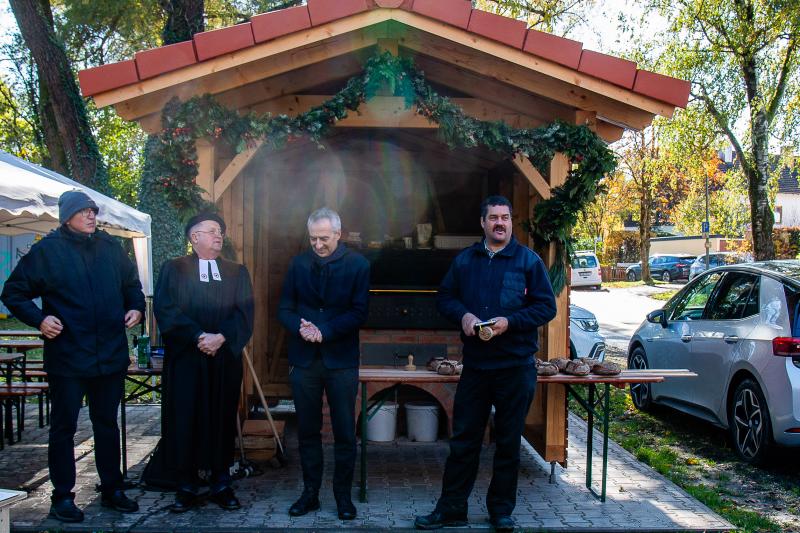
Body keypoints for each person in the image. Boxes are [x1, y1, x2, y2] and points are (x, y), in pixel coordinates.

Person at [415, 195, 557, 533]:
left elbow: (546, 308)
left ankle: (501, 511)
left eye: (505, 217)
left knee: (508, 443)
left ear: (510, 222)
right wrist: (462, 315)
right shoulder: (466, 261)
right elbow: (445, 298)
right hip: (476, 368)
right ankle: (452, 509)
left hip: (515, 367)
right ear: (482, 223)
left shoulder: (528, 261)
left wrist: (510, 322)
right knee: (464, 441)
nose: (500, 223)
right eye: (493, 217)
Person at [1, 190, 145, 523]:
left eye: (93, 211)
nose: (92, 215)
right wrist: (39, 319)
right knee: (63, 428)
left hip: (109, 354)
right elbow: (13, 292)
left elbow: (132, 286)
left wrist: (135, 308)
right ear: (67, 216)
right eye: (84, 211)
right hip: (67, 356)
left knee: (107, 424)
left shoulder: (111, 248)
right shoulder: (47, 251)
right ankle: (62, 497)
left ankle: (112, 489)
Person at [145, 212, 254, 513]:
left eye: (221, 231)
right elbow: (166, 310)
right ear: (194, 237)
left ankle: (221, 482)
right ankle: (186, 484)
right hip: (186, 361)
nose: (219, 235)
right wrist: (196, 336)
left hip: (222, 361)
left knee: (221, 417)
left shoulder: (236, 272)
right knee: (185, 418)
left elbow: (245, 314)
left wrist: (220, 337)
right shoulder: (174, 269)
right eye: (212, 230)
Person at [278, 207, 370, 521]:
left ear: (338, 234)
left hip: (341, 360)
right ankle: (310, 495)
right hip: (304, 361)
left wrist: (325, 331)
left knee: (345, 432)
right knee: (307, 431)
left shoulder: (359, 265)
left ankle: (343, 497)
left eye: (324, 239)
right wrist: (300, 327)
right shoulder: (297, 264)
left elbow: (360, 312)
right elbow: (284, 308)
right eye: (313, 238)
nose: (318, 244)